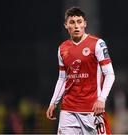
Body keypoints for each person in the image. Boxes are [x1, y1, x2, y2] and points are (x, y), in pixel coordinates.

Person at [46, 6, 115, 135]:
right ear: (66, 25)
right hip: (68, 110)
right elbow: (62, 78)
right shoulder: (62, 48)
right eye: (72, 22)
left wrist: (102, 99)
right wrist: (53, 102)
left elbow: (110, 74)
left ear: (85, 24)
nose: (76, 26)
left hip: (92, 108)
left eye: (79, 22)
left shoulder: (97, 44)